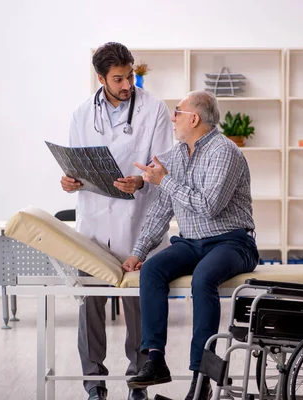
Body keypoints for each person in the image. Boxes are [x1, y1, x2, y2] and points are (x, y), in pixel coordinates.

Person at [122, 90, 259, 400]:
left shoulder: (225, 152)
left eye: (177, 112)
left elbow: (209, 205)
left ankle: (201, 378)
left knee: (203, 279)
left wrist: (164, 180)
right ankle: (155, 359)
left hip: (232, 241)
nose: (173, 118)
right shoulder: (179, 153)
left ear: (194, 118)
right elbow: (161, 209)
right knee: (153, 270)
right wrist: (139, 252)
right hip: (192, 242)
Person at [60, 42, 173, 400]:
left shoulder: (153, 109)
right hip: (93, 223)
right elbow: (75, 162)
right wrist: (69, 180)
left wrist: (141, 180)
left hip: (137, 220)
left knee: (140, 306)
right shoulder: (81, 113)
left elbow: (164, 164)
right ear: (101, 78)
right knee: (90, 304)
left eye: (130, 76)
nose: (128, 85)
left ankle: (138, 383)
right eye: (119, 79)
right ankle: (94, 384)